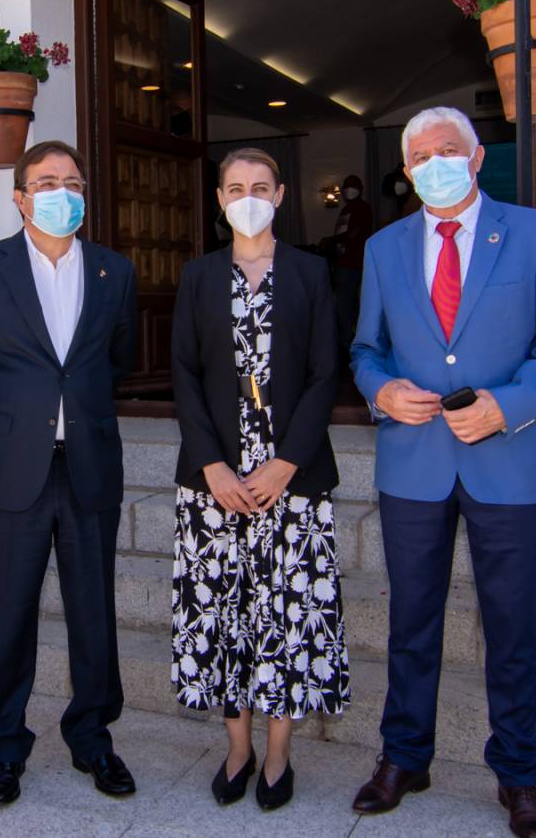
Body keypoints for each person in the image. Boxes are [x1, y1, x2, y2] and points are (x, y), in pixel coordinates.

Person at [348, 106, 536, 838]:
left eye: (446, 150)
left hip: (506, 463)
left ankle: (519, 775)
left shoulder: (534, 233)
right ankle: (404, 757)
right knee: (411, 622)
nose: (433, 163)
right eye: (419, 156)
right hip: (413, 465)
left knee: (510, 626)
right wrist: (381, 391)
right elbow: (366, 350)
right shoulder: (385, 248)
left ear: (477, 157)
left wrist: (506, 406)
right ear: (406, 169)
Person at [0, 139, 139, 808]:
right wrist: (10, 416)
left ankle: (91, 739)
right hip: (7, 472)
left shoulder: (114, 270)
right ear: (19, 197)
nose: (63, 192)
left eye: (74, 182)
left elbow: (119, 362)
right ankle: (4, 747)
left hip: (86, 467)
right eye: (47, 181)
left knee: (93, 615)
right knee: (8, 618)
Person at [170, 148, 350, 812]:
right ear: (219, 199)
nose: (248, 196)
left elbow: (325, 372)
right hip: (212, 485)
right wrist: (214, 463)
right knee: (221, 616)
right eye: (235, 187)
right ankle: (237, 747)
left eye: (261, 186)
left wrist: (286, 461)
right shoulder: (197, 276)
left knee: (286, 617)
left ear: (280, 195)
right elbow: (184, 374)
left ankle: (278, 753)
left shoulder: (309, 272)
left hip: (292, 483)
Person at [331, 174, 373, 350]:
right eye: (347, 186)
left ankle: (349, 342)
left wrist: (329, 240)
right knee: (345, 304)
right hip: (343, 262)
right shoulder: (345, 210)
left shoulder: (362, 209)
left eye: (353, 186)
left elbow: (353, 234)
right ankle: (348, 340)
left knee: (346, 304)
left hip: (354, 263)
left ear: (361, 189)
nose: (350, 189)